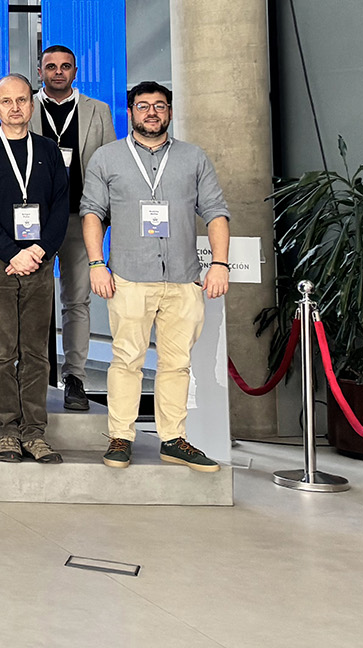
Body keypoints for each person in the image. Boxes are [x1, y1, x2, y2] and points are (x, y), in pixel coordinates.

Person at [82, 81, 230, 473]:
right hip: (129, 277)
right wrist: (97, 264)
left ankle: (173, 438)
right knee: (126, 360)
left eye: (160, 106)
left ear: (169, 112)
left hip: (183, 279)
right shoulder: (106, 158)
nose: (152, 112)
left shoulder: (193, 157)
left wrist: (220, 263)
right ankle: (121, 437)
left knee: (176, 363)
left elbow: (216, 212)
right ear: (129, 112)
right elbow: (92, 213)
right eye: (143, 106)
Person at [0, 75, 70, 465]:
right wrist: (12, 252)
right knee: (3, 350)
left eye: (22, 100)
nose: (14, 108)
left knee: (36, 351)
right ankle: (7, 431)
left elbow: (61, 207)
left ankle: (35, 433)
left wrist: (40, 250)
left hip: (41, 261)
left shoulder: (48, 149)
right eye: (5, 101)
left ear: (32, 104)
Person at [36, 44, 116, 411]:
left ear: (75, 70)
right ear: (40, 72)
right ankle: (33, 374)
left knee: (77, 300)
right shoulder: (26, 106)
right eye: (50, 67)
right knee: (32, 299)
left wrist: (104, 217)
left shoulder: (98, 111)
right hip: (32, 221)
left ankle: (75, 377)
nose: (57, 72)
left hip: (81, 219)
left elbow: (111, 168)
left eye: (65, 66)